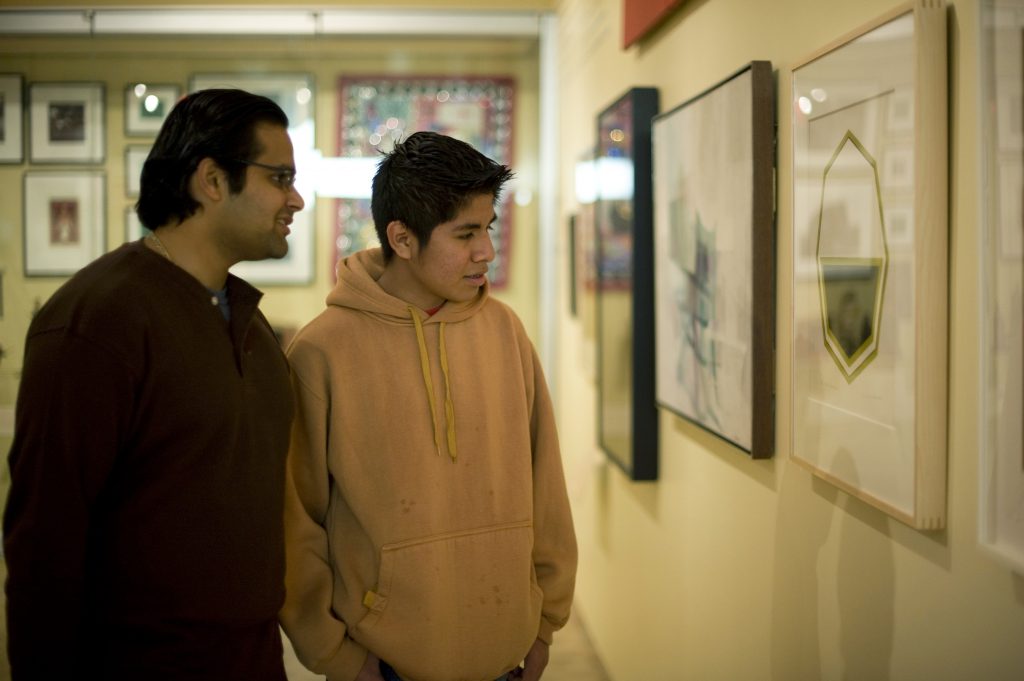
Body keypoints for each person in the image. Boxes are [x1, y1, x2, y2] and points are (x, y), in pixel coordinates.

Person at [3, 88, 305, 679]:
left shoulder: (247, 321)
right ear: (212, 181)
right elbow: (45, 548)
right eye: (279, 177)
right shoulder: (95, 322)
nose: (295, 198)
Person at [280, 131, 578, 681]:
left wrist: (544, 624)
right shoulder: (322, 351)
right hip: (384, 664)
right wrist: (335, 655)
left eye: (487, 228)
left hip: (508, 653)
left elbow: (547, 487)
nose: (485, 250)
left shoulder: (506, 331)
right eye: (465, 233)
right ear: (402, 239)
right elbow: (297, 524)